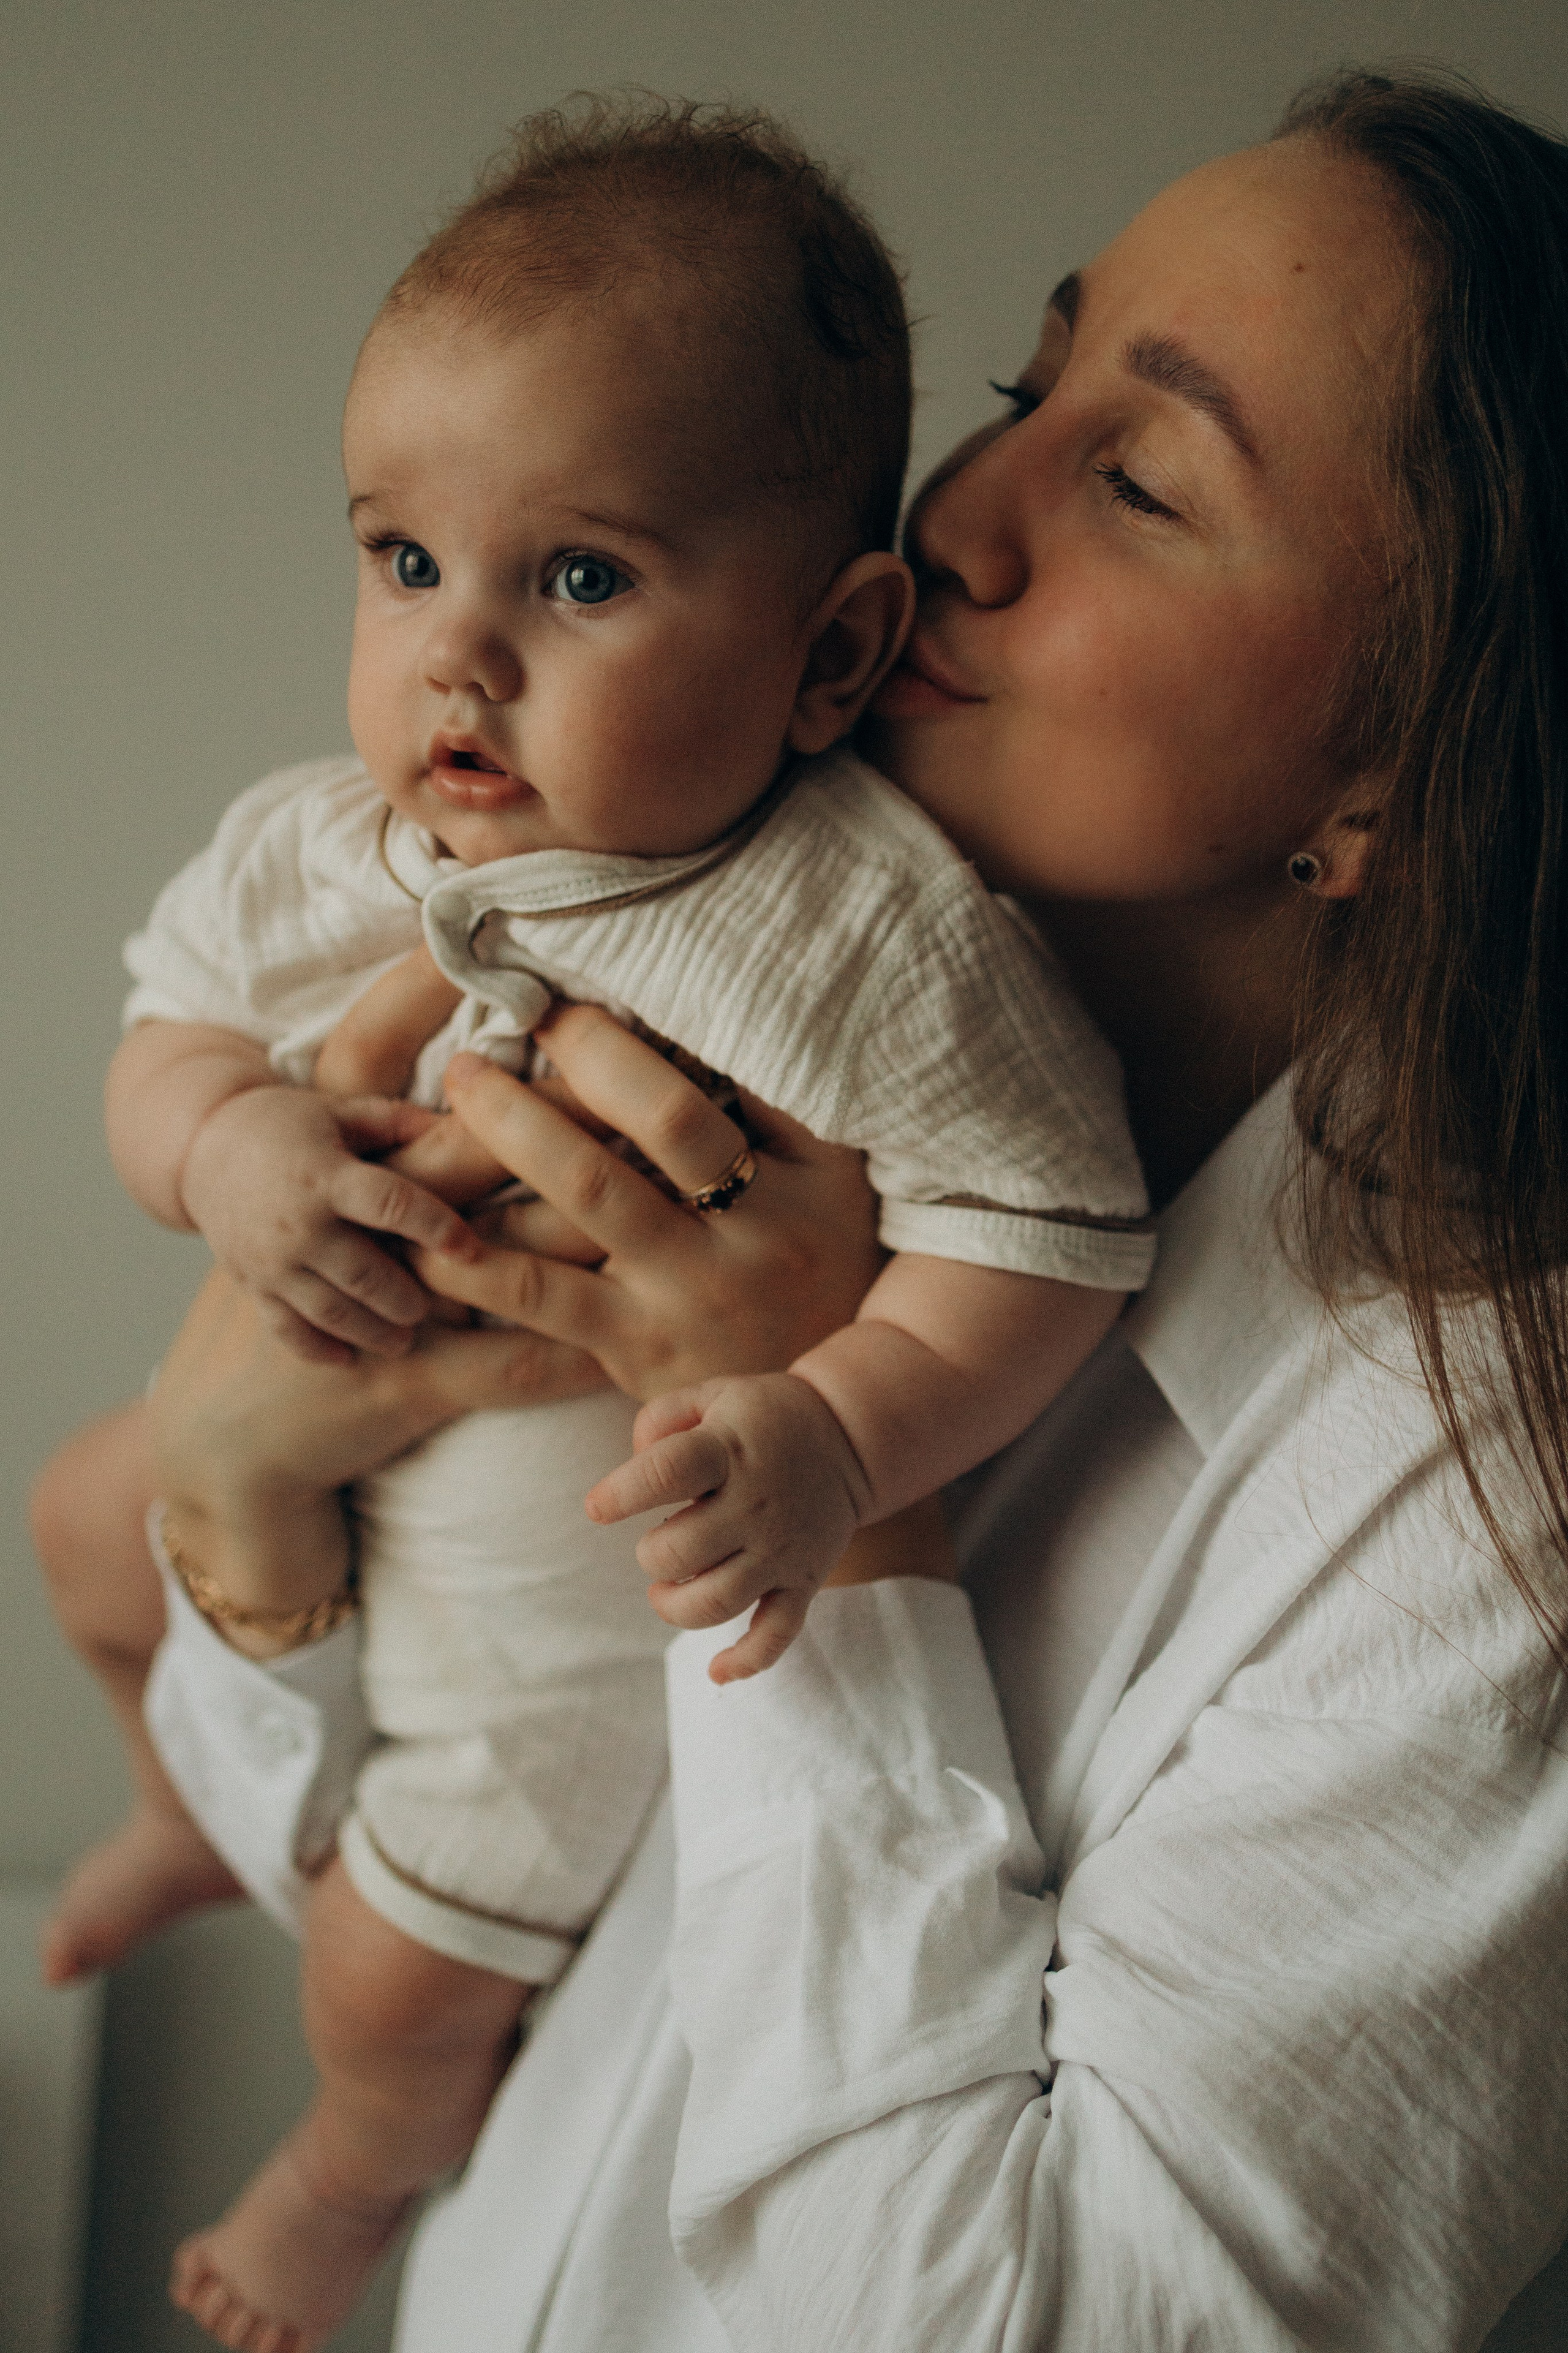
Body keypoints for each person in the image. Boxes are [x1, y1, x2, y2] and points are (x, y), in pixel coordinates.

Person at [34, 63, 1568, 2351]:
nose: (962, 517)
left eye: (1139, 474)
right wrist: (245, 1489)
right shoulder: (689, 997)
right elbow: (570, 1974)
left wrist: (836, 1495)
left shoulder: (1484, 1514)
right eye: (1027, 388)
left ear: (1402, 777)